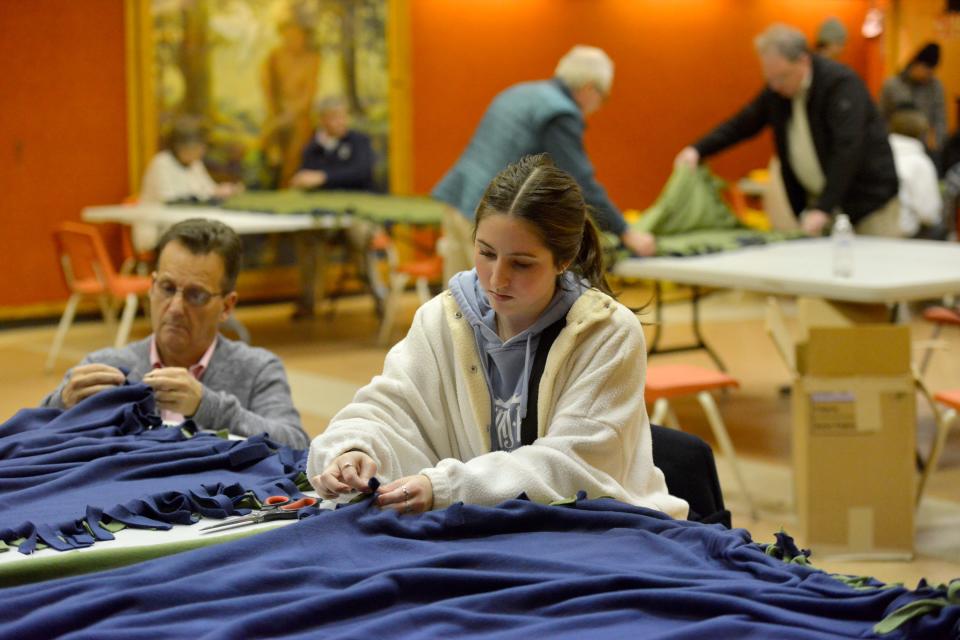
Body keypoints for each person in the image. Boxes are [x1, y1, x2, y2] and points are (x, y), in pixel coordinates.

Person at [308, 154, 688, 520]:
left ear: (564, 260)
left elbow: (571, 468)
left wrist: (446, 487)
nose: (496, 278)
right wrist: (354, 449)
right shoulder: (443, 318)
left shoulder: (608, 333)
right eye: (486, 253)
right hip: (487, 530)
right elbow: (389, 409)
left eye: (521, 264)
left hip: (603, 531)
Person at [42, 219, 308, 449]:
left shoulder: (257, 369)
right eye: (167, 288)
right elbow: (27, 441)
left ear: (227, 306)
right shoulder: (105, 366)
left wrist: (209, 407)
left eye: (196, 295)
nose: (176, 308)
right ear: (151, 287)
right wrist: (61, 403)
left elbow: (297, 446)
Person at [432, 45, 655, 283]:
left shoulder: (519, 92)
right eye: (604, 96)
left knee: (455, 300)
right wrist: (626, 232)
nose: (599, 105)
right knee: (487, 305)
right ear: (589, 87)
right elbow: (581, 184)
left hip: (457, 200)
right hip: (487, 215)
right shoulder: (560, 112)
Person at [675, 23, 898, 237]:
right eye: (769, 79)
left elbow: (848, 147)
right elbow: (742, 124)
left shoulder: (840, 85)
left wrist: (823, 208)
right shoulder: (777, 93)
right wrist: (697, 150)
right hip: (825, 207)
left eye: (782, 77)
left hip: (869, 204)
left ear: (803, 61)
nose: (775, 86)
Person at [261, 19, 321, 188]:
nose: (293, 40)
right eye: (288, 36)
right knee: (268, 141)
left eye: (297, 36)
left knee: (297, 148)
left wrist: (292, 113)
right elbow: (267, 86)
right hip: (277, 112)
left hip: (300, 116)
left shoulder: (311, 59)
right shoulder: (274, 57)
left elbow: (309, 93)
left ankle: (289, 184)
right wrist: (276, 113)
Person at [140, 116, 243, 205]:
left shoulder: (195, 164)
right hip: (159, 223)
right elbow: (171, 200)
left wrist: (223, 191)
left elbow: (208, 190)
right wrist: (207, 195)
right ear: (180, 147)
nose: (202, 151)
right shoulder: (161, 162)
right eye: (199, 147)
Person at [289, 96, 375, 191]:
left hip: (360, 198)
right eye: (334, 118)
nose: (341, 122)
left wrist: (324, 177)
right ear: (321, 120)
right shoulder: (313, 146)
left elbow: (361, 172)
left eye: (344, 116)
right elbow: (307, 174)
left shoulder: (358, 141)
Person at [880, 43, 947, 158]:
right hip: (896, 147)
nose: (928, 76)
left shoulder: (935, 87)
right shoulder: (893, 85)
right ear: (916, 65)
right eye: (926, 70)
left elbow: (940, 117)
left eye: (931, 72)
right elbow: (881, 116)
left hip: (925, 148)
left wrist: (938, 141)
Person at [887, 107, 943, 238]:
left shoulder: (876, 155)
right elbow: (929, 214)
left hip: (869, 229)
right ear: (921, 133)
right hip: (905, 235)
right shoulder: (920, 163)